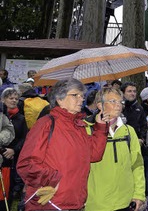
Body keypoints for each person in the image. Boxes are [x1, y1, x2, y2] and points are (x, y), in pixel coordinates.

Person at [17, 78, 108, 211]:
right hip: (50, 203)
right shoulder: (46, 124)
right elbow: (26, 164)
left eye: (82, 95)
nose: (81, 99)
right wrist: (53, 180)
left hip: (76, 201)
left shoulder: (79, 126)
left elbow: (94, 155)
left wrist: (100, 127)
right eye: (75, 95)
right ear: (60, 99)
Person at [86, 87, 145, 211]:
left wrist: (139, 194)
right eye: (113, 101)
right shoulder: (86, 130)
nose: (118, 105)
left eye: (120, 102)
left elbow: (137, 165)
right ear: (100, 106)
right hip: (96, 203)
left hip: (126, 202)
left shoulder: (129, 131)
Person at [1, 88, 26, 210]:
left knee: (7, 188)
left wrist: (14, 150)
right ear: (3, 99)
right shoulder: (1, 117)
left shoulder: (21, 118)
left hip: (11, 159)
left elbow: (24, 138)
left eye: (16, 98)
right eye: (11, 98)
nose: (14, 101)